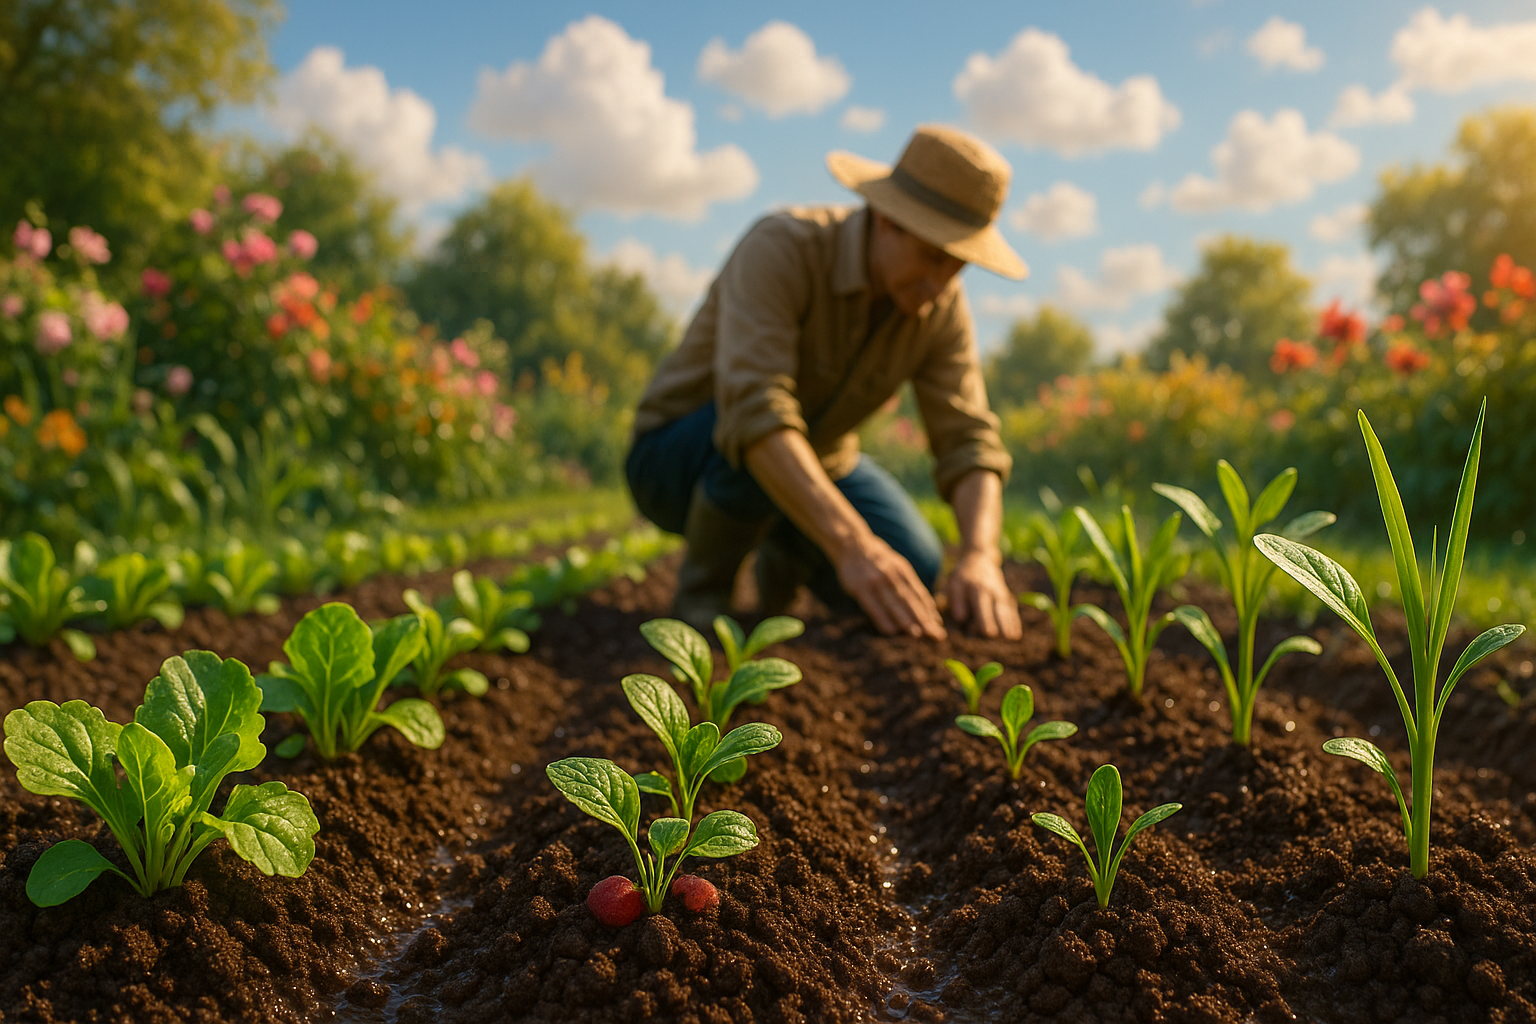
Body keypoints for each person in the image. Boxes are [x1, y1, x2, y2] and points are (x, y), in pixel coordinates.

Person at [625, 124, 1024, 642]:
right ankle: (702, 599)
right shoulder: (783, 247)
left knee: (916, 568)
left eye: (959, 265)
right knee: (762, 436)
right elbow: (755, 408)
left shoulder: (939, 305)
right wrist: (853, 546)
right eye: (932, 256)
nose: (941, 281)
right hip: (678, 456)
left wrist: (980, 555)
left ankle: (782, 552)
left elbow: (968, 440)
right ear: (887, 220)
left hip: (817, 457)